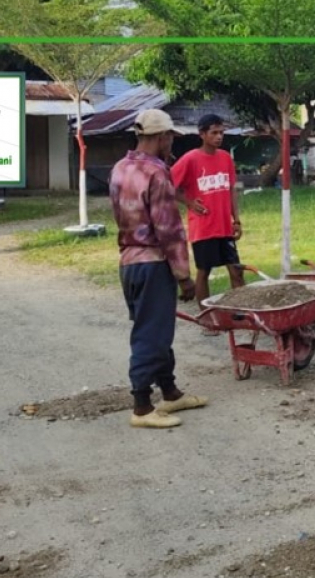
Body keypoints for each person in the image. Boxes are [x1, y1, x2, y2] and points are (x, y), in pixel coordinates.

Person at [109, 108, 208, 429]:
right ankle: (141, 405)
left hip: (129, 262)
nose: (171, 144)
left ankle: (170, 390)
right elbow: (169, 229)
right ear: (162, 137)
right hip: (153, 263)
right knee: (151, 334)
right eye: (170, 138)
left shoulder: (120, 169)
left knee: (156, 327)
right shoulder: (157, 174)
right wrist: (184, 275)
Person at [170, 113, 243, 311]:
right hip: (203, 228)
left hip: (225, 227)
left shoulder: (226, 158)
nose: (219, 137)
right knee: (204, 272)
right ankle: (207, 316)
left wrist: (236, 220)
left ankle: (240, 313)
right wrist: (189, 203)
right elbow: (168, 185)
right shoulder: (190, 159)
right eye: (214, 133)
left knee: (236, 271)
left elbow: (231, 190)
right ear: (202, 134)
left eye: (221, 132)